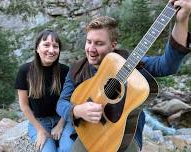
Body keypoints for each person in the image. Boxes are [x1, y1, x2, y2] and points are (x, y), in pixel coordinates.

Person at [57, 0, 191, 151]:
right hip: (89, 134)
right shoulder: (76, 69)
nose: (91, 49)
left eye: (99, 43)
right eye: (89, 42)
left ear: (113, 45)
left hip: (124, 138)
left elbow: (167, 65)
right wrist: (77, 111)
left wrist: (182, 21)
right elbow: (61, 103)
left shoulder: (130, 63)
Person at [15, 29, 75, 152]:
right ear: (37, 48)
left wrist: (60, 125)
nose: (51, 50)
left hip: (62, 118)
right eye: (46, 45)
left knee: (67, 149)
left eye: (55, 46)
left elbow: (71, 100)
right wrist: (40, 130)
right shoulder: (24, 71)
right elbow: (24, 105)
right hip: (39, 122)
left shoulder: (65, 71)